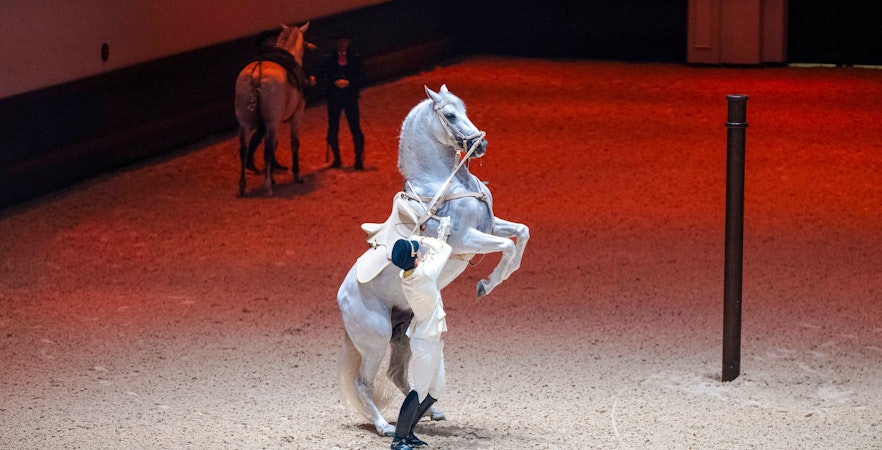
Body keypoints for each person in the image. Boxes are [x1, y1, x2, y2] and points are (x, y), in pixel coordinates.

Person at [388, 219, 452, 450]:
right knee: (419, 390)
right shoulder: (423, 275)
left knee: (437, 390)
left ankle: (409, 432)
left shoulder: (408, 275)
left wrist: (420, 245)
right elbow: (445, 250)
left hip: (432, 339)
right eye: (417, 252)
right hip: (425, 341)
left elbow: (432, 258)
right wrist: (425, 239)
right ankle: (398, 440)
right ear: (415, 259)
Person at [320, 30, 367, 170]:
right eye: (339, 41)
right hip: (334, 96)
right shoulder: (329, 58)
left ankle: (358, 159)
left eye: (344, 41)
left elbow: (362, 76)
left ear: (348, 42)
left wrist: (349, 82)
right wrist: (334, 82)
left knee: (355, 127)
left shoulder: (355, 57)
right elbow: (322, 76)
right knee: (333, 128)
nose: (342, 44)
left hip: (350, 96)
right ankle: (337, 159)